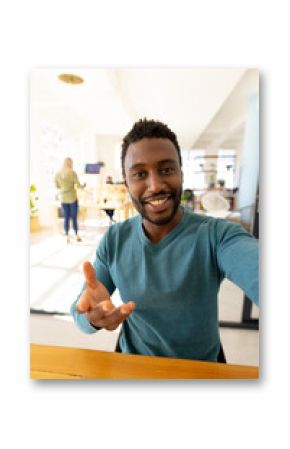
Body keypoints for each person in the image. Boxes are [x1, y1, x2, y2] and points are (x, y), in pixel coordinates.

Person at [71, 119, 259, 362]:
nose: (156, 185)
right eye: (140, 174)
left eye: (167, 169)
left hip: (201, 369)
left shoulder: (216, 235)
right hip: (135, 365)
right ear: (127, 183)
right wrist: (91, 318)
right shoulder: (115, 239)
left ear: (181, 172)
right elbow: (80, 314)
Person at [54, 157, 85, 243]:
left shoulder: (58, 173)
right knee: (74, 217)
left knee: (66, 218)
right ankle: (76, 235)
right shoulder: (72, 173)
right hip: (72, 198)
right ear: (70, 163)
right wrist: (83, 186)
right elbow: (78, 186)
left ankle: (67, 236)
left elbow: (57, 186)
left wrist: (63, 188)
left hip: (63, 198)